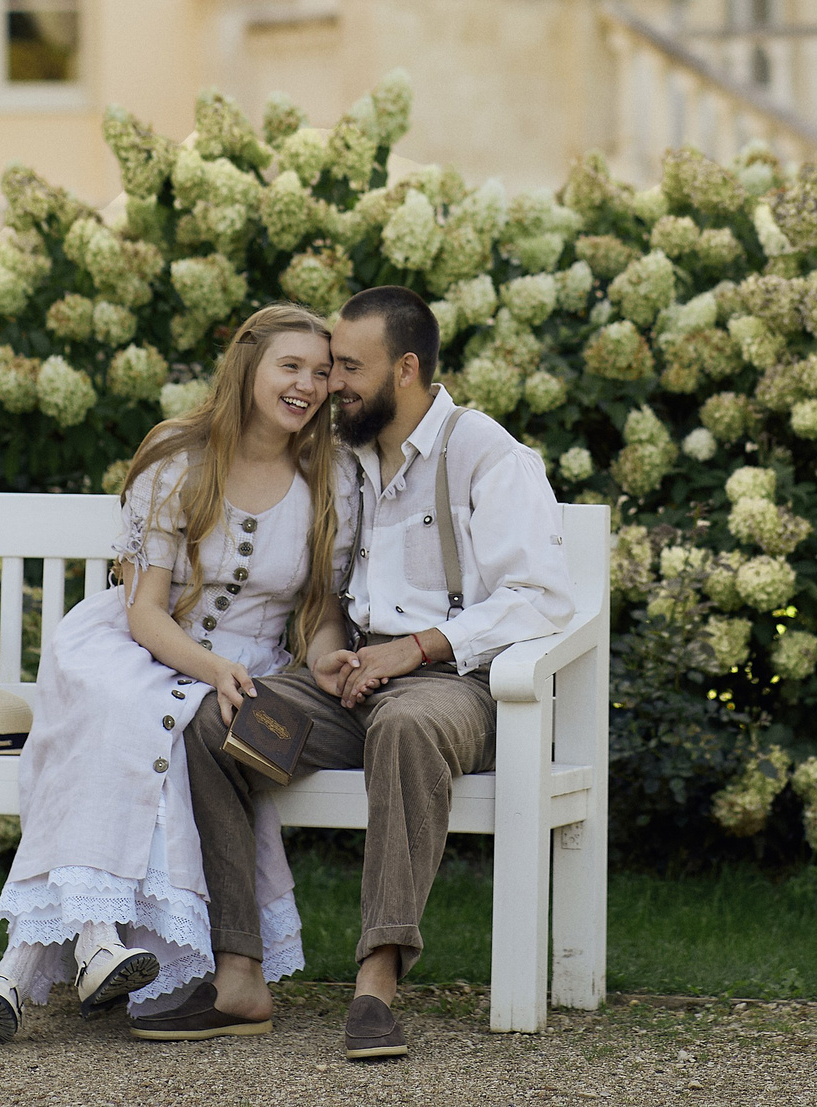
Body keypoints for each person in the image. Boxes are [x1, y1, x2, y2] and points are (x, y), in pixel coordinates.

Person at [152, 285, 572, 1061]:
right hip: (350, 691)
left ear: (405, 368)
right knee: (219, 722)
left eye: (348, 367)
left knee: (406, 725)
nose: (330, 383)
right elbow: (325, 596)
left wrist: (416, 649)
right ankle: (239, 974)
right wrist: (330, 653)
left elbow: (541, 598)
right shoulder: (345, 457)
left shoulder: (484, 452)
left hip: (453, 688)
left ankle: (376, 983)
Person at [0, 303, 344, 1045]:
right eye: (291, 366)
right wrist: (212, 667)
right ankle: (94, 940)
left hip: (248, 669)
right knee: (131, 716)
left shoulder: (324, 478)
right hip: (147, 643)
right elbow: (145, 612)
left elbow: (324, 613)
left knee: (172, 731)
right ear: (249, 367)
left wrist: (327, 657)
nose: (307, 384)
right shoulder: (180, 460)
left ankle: (26, 965)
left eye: (321, 371)